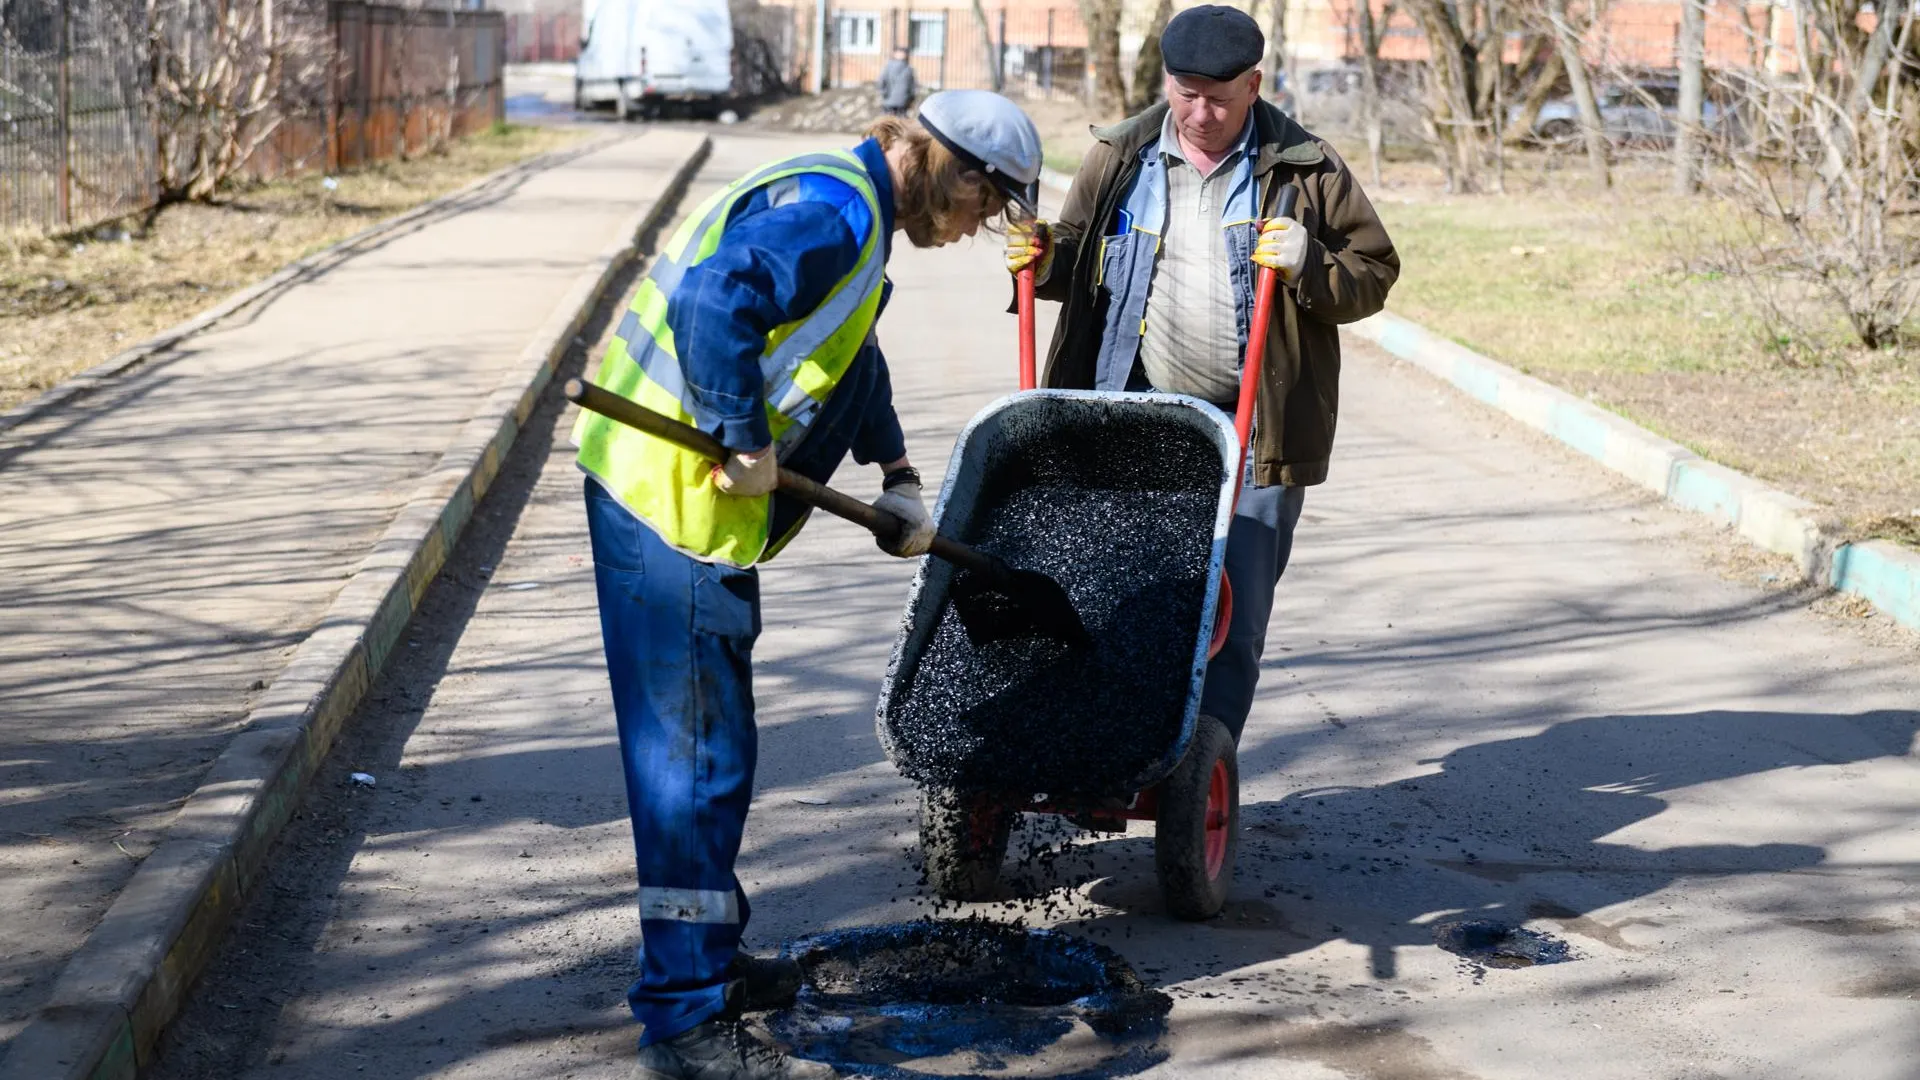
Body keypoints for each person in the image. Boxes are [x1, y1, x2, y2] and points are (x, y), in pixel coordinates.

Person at [574, 89, 1041, 1080]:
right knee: (692, 762)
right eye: (980, 210)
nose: (971, 234)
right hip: (668, 505)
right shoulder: (838, 213)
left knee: (713, 751)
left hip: (675, 504)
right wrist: (741, 432)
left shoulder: (852, 212)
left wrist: (900, 476)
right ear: (952, 171)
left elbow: (846, 355)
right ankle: (686, 1017)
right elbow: (713, 301)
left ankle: (704, 962)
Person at [1004, 5, 1397, 746]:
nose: (1201, 112)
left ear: (1255, 84)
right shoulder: (1121, 156)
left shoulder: (1307, 168)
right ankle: (1110, 743)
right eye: (1186, 92)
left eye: (1219, 96)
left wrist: (1310, 261)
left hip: (1259, 429)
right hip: (1140, 412)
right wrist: (1044, 258)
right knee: (1116, 588)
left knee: (1233, 611)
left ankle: (1196, 763)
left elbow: (1373, 273)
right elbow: (1076, 253)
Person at [877, 46, 917, 116]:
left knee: (888, 124)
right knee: (900, 124)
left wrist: (885, 94)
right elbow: (912, 88)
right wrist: (910, 100)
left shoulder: (887, 68)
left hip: (888, 102)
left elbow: (881, 83)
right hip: (903, 103)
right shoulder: (909, 69)